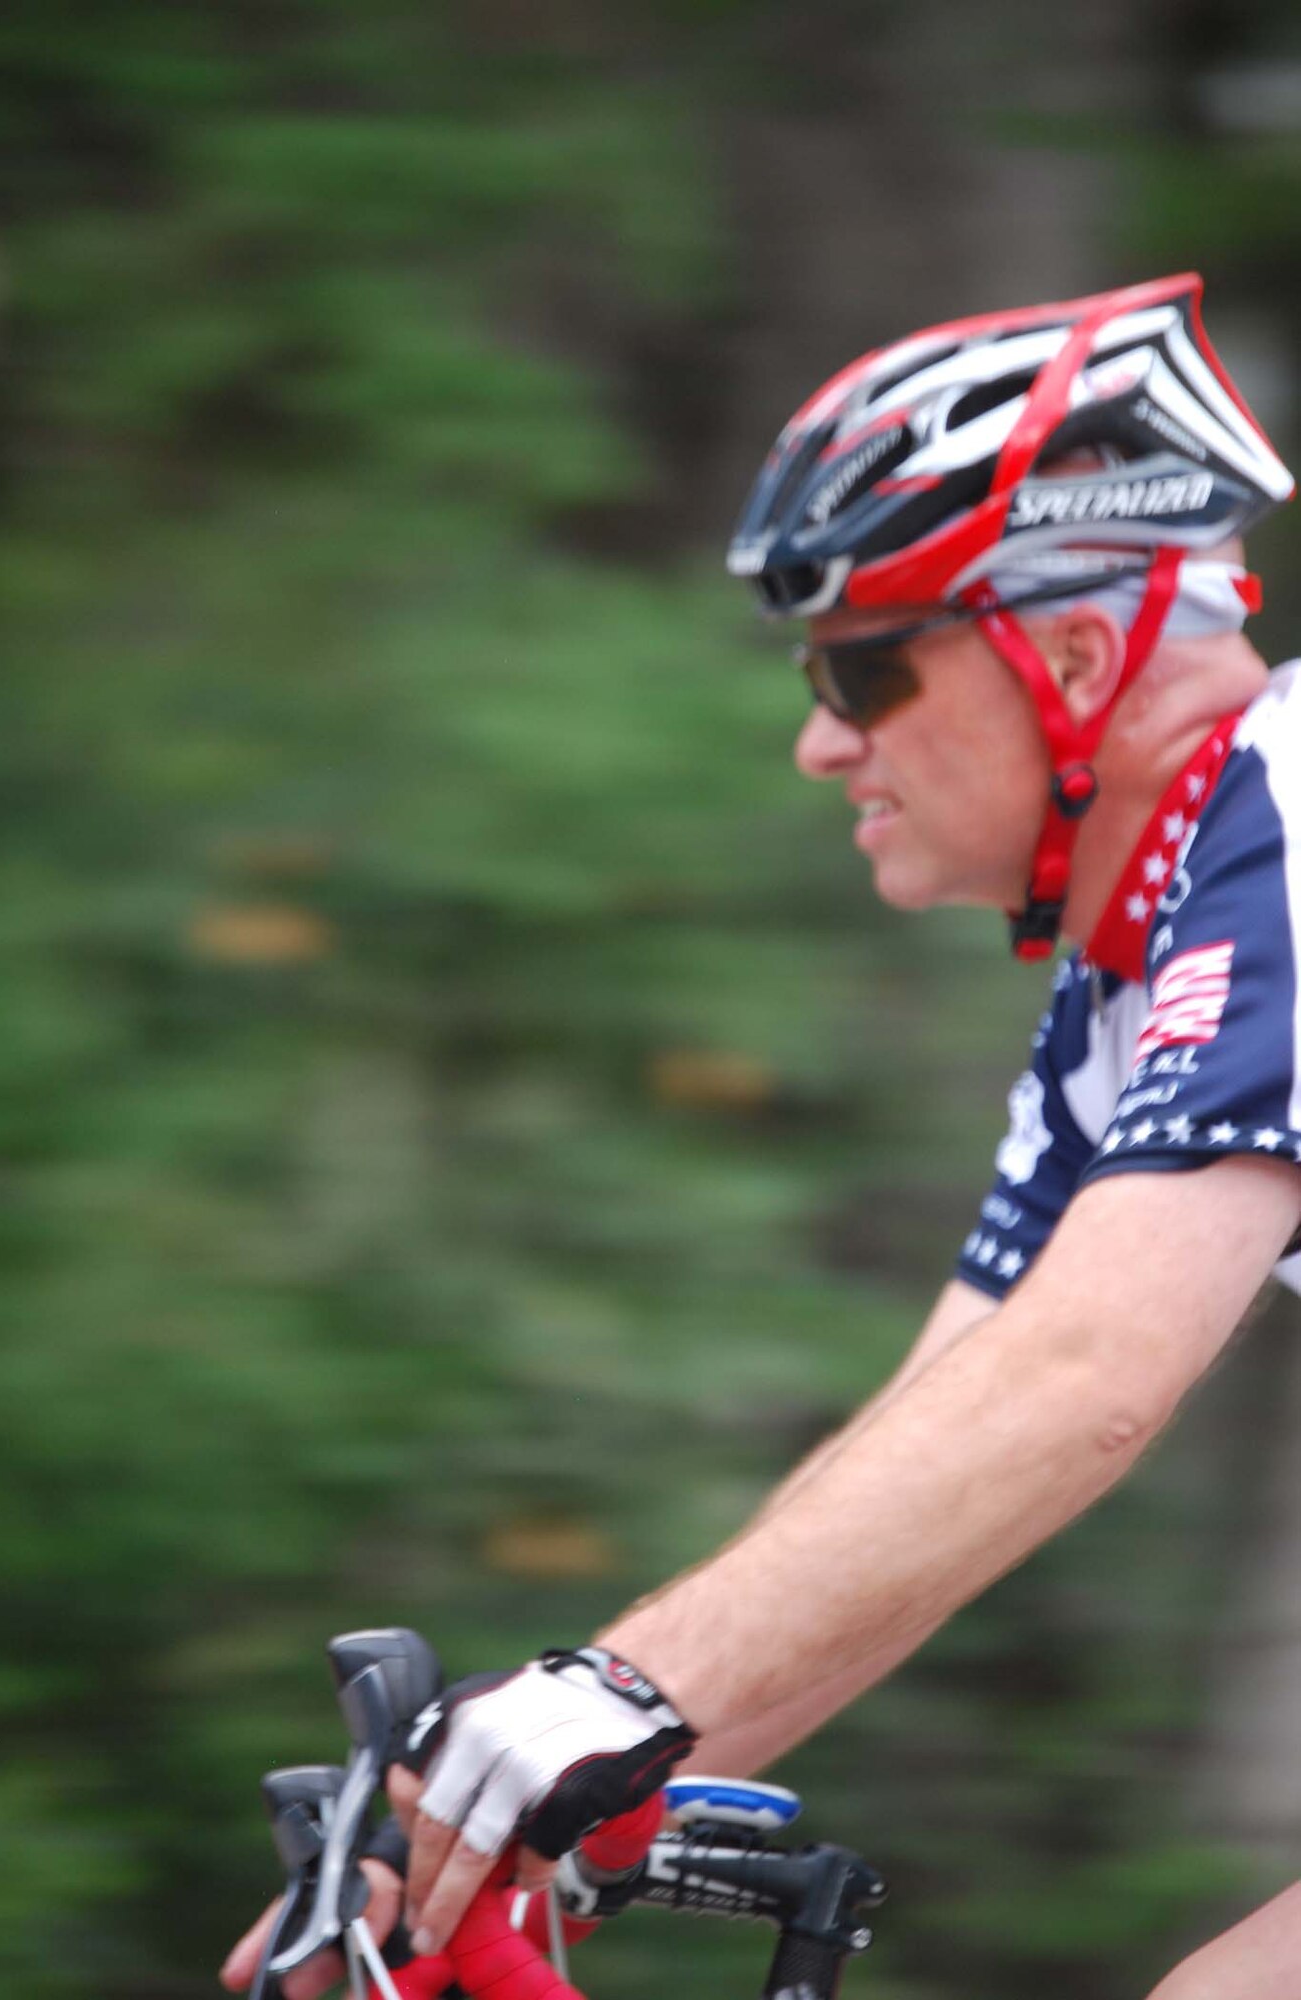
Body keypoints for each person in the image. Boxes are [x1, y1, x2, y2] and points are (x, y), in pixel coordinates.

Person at [222, 273, 1301, 2000]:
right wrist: (498, 1829)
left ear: (1080, 656)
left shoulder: (1296, 804)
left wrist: (614, 1700)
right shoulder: (1138, 976)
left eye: (863, 671)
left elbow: (1087, 1378)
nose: (817, 743)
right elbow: (957, 1424)